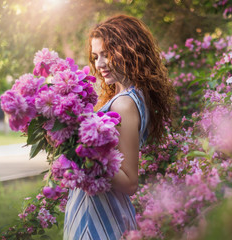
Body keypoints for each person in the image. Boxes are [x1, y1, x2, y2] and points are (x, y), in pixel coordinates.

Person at [63, 14, 174, 240]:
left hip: (101, 216)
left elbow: (130, 181)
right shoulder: (124, 96)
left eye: (107, 54)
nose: (99, 64)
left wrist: (88, 155)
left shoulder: (124, 103)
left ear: (130, 51)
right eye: (96, 56)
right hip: (97, 210)